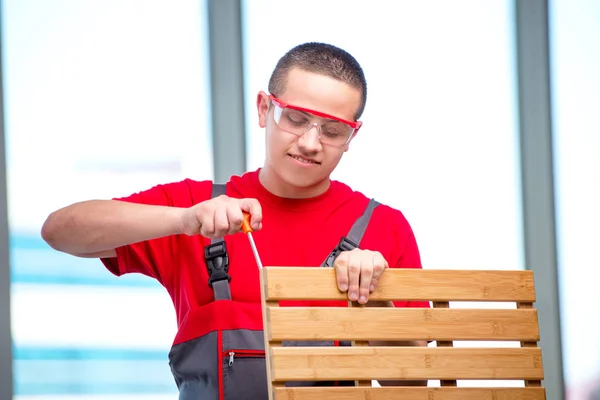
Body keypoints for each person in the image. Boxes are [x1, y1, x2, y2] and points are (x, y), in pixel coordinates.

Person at [41, 42, 429, 398]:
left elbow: (412, 381)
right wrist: (183, 220)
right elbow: (60, 231)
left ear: (351, 137)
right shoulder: (197, 205)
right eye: (295, 118)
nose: (311, 143)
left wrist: (377, 299)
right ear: (264, 109)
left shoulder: (383, 227)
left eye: (332, 131)